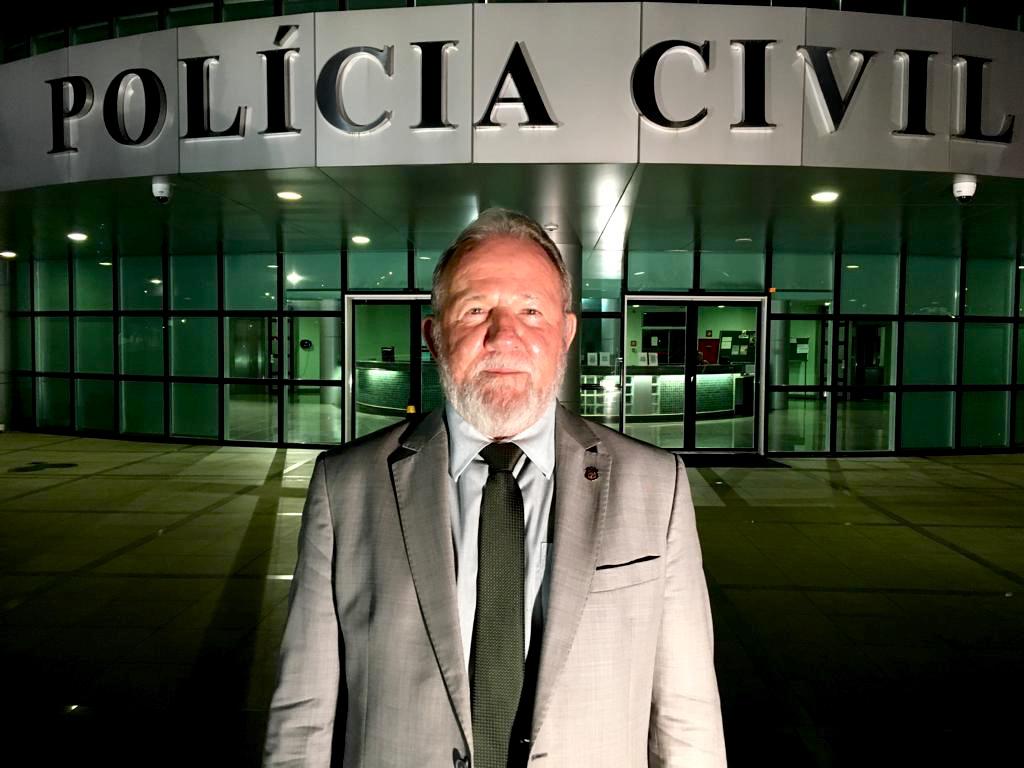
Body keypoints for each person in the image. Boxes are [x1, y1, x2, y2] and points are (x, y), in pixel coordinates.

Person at [263, 209, 726, 768]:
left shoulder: (656, 487)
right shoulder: (346, 486)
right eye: (476, 310)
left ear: (565, 334)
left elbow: (688, 714)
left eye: (531, 311)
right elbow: (303, 715)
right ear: (435, 337)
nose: (504, 335)